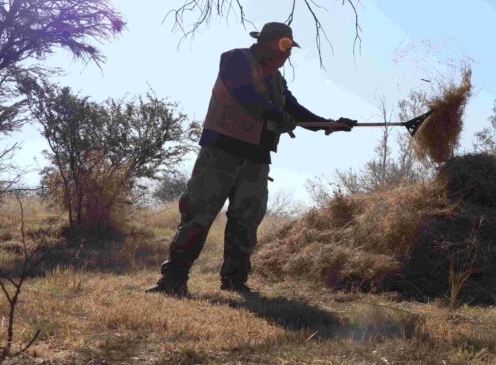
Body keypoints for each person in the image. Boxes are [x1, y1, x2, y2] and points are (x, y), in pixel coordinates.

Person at [146, 22, 356, 296]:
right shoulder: (235, 59)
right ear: (265, 42)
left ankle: (234, 282)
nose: (288, 53)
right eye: (284, 45)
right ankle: (173, 281)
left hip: (257, 158)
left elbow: (293, 109)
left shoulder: (277, 81)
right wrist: (278, 116)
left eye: (290, 48)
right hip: (221, 151)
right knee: (198, 215)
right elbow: (246, 96)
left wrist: (329, 124)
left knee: (246, 221)